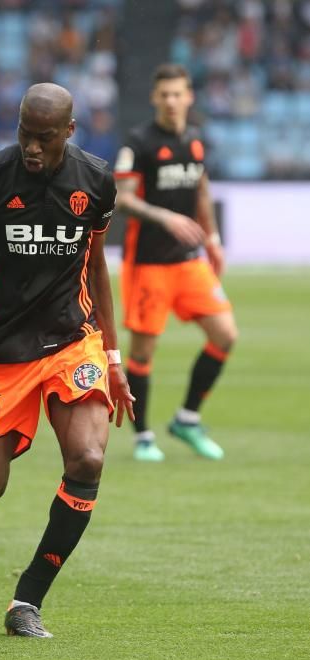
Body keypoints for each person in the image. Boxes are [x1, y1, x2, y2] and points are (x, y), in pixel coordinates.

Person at [0, 83, 135, 638]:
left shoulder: (95, 181)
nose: (32, 148)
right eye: (25, 134)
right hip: (7, 353)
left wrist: (113, 359)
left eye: (44, 138)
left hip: (74, 341)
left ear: (68, 132)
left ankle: (28, 601)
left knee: (88, 459)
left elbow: (96, 269)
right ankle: (3, 444)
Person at [114, 63, 236, 462]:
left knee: (225, 335)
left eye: (177, 93)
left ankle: (187, 418)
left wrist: (213, 238)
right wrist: (165, 217)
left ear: (189, 96)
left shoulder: (196, 142)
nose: (170, 100)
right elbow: (123, 197)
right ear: (154, 98)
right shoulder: (139, 142)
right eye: (163, 94)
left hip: (189, 261)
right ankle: (144, 437)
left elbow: (201, 189)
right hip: (149, 263)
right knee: (144, 352)